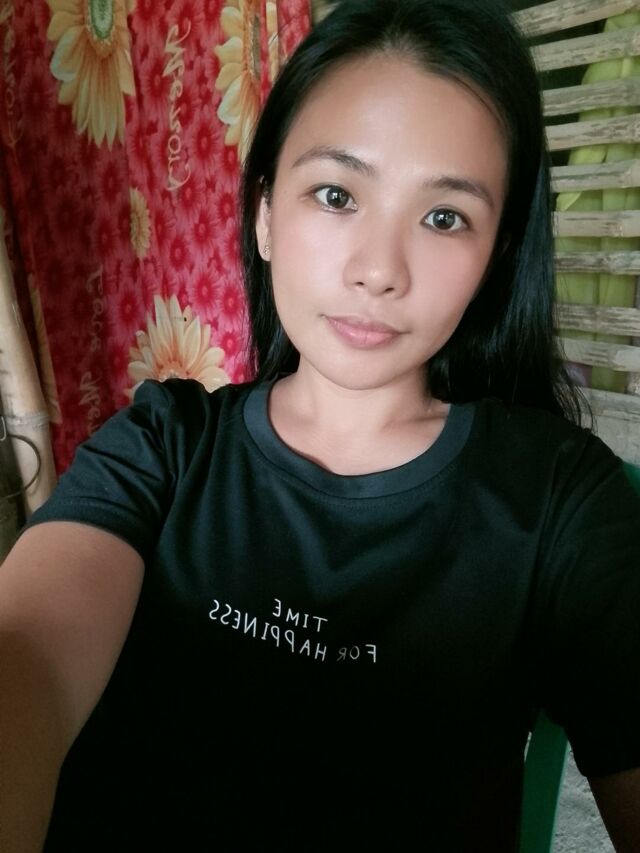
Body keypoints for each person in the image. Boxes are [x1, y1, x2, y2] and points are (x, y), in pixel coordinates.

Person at [1, 0, 640, 849]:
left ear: (497, 255)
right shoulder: (162, 445)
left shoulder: (563, 501)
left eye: (444, 216)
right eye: (336, 194)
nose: (379, 270)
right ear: (265, 212)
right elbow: (29, 660)